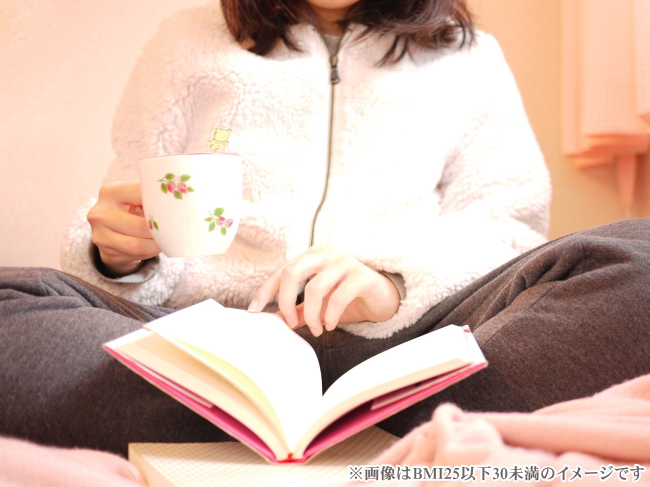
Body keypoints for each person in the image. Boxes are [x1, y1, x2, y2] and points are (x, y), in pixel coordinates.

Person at [2, 0, 649, 458]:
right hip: (214, 347)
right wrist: (119, 257)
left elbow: (507, 226)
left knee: (637, 257)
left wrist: (395, 285)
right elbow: (139, 210)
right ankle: (324, 423)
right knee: (11, 301)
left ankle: (302, 420)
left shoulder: (470, 58)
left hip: (408, 345)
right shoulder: (186, 43)